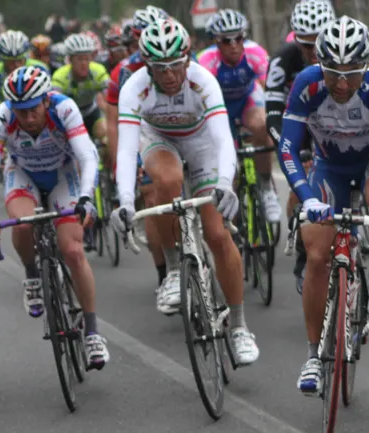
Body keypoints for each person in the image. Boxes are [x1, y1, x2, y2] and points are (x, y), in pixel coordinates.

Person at [279, 16, 369, 394]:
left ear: (367, 67)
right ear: (320, 66)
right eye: (333, 74)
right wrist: (307, 200)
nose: (342, 84)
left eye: (352, 74)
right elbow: (289, 148)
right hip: (330, 168)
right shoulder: (307, 85)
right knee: (317, 253)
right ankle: (312, 355)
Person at [111, 18, 260, 366]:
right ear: (147, 65)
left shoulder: (203, 81)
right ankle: (175, 269)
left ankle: (239, 327)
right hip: (158, 139)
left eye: (176, 65)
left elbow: (224, 139)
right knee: (166, 182)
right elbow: (125, 149)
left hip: (202, 143)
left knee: (218, 234)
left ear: (188, 59)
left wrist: (225, 182)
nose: (169, 75)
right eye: (160, 68)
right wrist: (124, 201)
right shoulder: (134, 88)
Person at [0, 66, 110, 369]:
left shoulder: (64, 108)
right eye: (20, 111)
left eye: (33, 109)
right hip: (22, 173)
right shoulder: (0, 118)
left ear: (45, 101)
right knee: (23, 225)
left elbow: (87, 156)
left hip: (63, 173)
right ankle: (32, 274)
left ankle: (92, 332)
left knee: (73, 251)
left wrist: (87, 196)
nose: (28, 118)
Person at [267, 0, 337, 294]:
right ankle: (301, 252)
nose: (312, 52)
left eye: (317, 44)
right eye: (305, 45)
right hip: (297, 125)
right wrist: (291, 151)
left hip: (333, 123)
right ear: (295, 38)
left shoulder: (343, 54)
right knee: (303, 183)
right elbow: (271, 113)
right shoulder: (282, 61)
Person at [106, 5, 172, 288]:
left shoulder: (184, 59)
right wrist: (121, 167)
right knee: (152, 199)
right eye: (139, 40)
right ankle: (164, 273)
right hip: (145, 134)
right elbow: (115, 124)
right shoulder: (123, 72)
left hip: (183, 131)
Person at [197, 8, 281, 224]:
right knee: (227, 159)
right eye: (227, 40)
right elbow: (199, 102)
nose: (234, 44)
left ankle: (265, 187)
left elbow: (270, 90)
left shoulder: (256, 53)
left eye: (239, 38)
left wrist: (277, 125)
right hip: (219, 107)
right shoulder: (205, 62)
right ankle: (232, 210)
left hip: (247, 100)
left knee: (262, 125)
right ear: (216, 41)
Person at [52, 33, 111, 142]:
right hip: (69, 117)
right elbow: (53, 109)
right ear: (70, 60)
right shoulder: (60, 77)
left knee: (106, 135)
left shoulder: (98, 71)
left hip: (91, 113)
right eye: (79, 59)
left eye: (87, 59)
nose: (84, 63)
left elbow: (111, 100)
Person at [0, 30, 50, 115]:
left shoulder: (40, 68)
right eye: (10, 62)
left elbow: (49, 100)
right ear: (3, 60)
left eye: (19, 60)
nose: (16, 66)